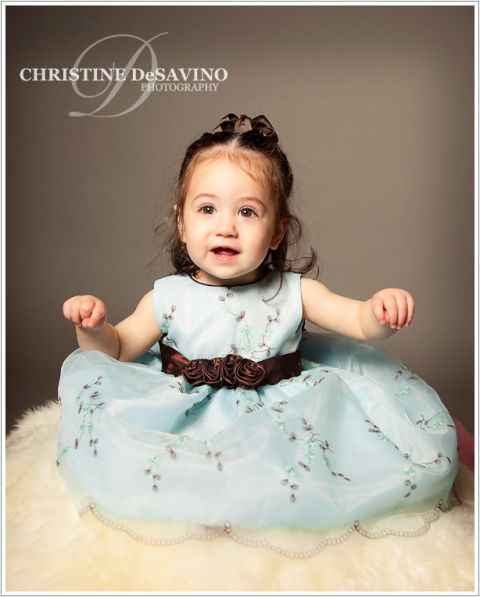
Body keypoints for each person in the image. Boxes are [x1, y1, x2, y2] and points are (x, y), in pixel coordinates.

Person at [58, 113, 458, 540]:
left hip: (282, 412)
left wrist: (381, 312)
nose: (226, 226)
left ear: (277, 230)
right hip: (186, 409)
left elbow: (358, 322)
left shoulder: (295, 292)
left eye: (247, 211)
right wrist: (93, 326)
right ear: (182, 223)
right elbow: (116, 349)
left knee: (297, 477)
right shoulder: (167, 297)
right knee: (163, 467)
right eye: (207, 209)